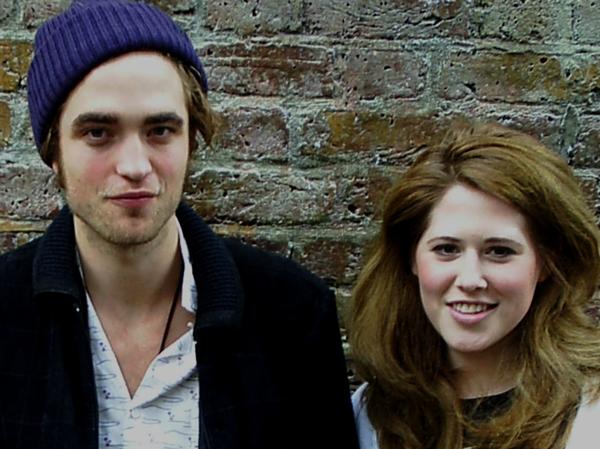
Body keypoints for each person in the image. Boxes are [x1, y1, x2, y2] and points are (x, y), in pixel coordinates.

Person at [0, 1, 358, 448]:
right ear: (54, 151)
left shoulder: (291, 313)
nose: (135, 166)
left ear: (191, 140)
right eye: (98, 133)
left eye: (160, 131)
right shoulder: (6, 313)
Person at [348, 121, 600, 449]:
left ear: (546, 263)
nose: (470, 279)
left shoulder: (590, 412)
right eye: (446, 249)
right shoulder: (371, 417)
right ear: (412, 259)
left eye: (500, 251)